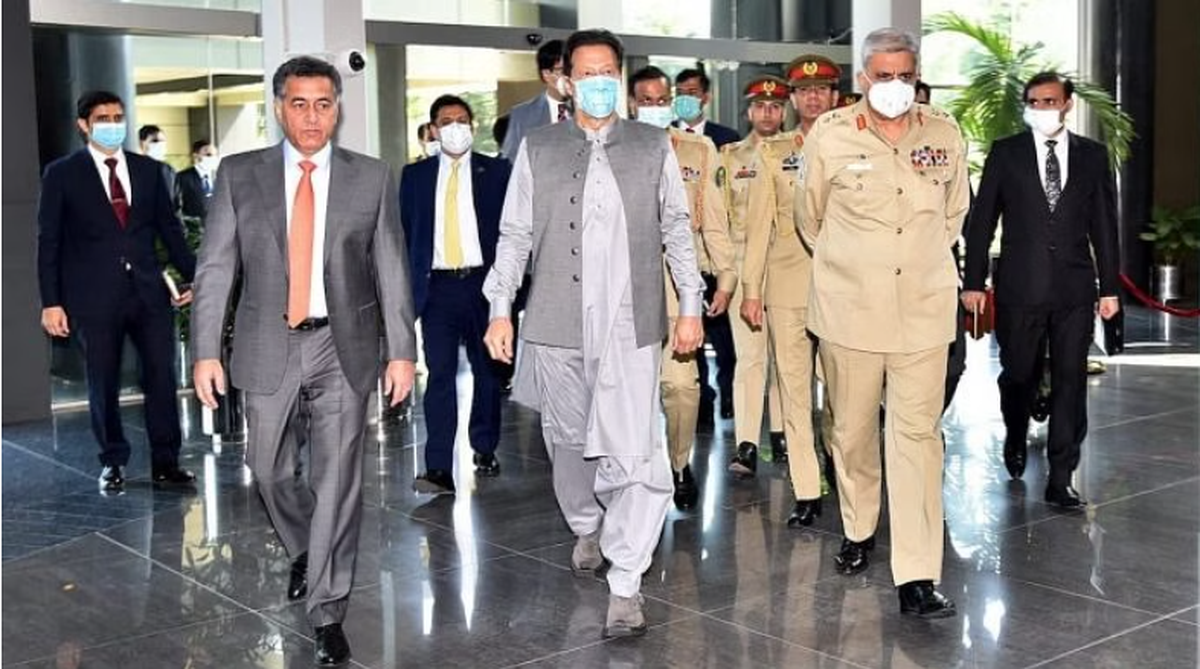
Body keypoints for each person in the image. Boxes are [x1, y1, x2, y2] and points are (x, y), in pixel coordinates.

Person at [190, 56, 417, 666]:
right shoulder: (241, 174)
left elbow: (391, 270)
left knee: (338, 482)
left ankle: (326, 608)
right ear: (279, 107)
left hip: (344, 345)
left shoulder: (370, 177)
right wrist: (205, 349)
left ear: (337, 108)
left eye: (323, 103)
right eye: (299, 103)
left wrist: (402, 353)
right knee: (267, 471)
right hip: (268, 341)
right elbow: (215, 267)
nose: (312, 116)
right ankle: (302, 546)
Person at [482, 29, 704, 638]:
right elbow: (516, 235)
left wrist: (690, 304)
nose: (599, 81)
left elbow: (678, 231)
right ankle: (586, 524)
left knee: (636, 452)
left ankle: (626, 580)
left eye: (610, 70)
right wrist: (500, 306)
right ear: (565, 80)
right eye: (588, 72)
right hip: (555, 324)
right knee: (569, 444)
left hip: (632, 327)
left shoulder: (653, 144)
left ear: (620, 76)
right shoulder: (537, 147)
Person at [797, 28, 968, 618]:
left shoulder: (944, 132)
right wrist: (857, 268)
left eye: (904, 75)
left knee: (918, 439)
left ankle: (917, 573)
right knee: (850, 431)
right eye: (882, 75)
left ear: (915, 75)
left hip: (923, 310)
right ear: (863, 79)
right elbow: (810, 217)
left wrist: (913, 266)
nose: (893, 86)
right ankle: (859, 525)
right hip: (850, 311)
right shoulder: (831, 134)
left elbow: (954, 215)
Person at [962, 71, 1120, 507]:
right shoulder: (1006, 153)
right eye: (1034, 101)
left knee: (1070, 380)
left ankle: (1061, 476)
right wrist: (973, 281)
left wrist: (1109, 288)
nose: (1042, 108)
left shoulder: (1091, 155)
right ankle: (1015, 429)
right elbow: (981, 222)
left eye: (1050, 101)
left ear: (1067, 103)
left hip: (1074, 290)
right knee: (1019, 375)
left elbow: (1105, 225)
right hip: (1019, 286)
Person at [38, 91, 197, 495]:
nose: (113, 124)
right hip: (92, 298)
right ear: (84, 125)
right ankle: (113, 460)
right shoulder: (62, 173)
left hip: (148, 294)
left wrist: (195, 277)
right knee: (103, 381)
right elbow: (49, 241)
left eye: (118, 116)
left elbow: (171, 231)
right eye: (103, 118)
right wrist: (51, 302)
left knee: (161, 376)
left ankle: (167, 462)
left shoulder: (149, 171)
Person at [628, 65, 736, 510]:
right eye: (645, 101)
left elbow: (714, 219)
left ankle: (678, 462)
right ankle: (634, 472)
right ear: (631, 104)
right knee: (629, 392)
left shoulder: (698, 149)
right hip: (624, 290)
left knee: (682, 388)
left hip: (679, 289)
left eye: (661, 100)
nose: (654, 108)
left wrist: (727, 277)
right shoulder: (608, 150)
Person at [740, 57, 842, 527]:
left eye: (823, 89)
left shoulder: (854, 144)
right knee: (795, 392)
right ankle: (806, 489)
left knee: (845, 396)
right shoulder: (774, 152)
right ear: (793, 100)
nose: (814, 97)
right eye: (805, 91)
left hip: (846, 289)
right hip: (786, 288)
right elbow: (759, 227)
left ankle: (844, 475)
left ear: (836, 96)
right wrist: (751, 289)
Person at [401, 94, 511, 494]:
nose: (455, 127)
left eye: (463, 120)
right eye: (446, 121)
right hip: (438, 288)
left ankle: (483, 445)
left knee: (487, 372)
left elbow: (513, 234)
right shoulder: (414, 178)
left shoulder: (497, 172)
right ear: (433, 129)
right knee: (440, 375)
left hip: (486, 285)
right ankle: (438, 467)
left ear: (473, 126)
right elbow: (404, 235)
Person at [723, 75, 790, 477]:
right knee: (750, 359)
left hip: (786, 268)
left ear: (785, 111)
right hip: (744, 268)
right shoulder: (728, 157)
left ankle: (783, 433)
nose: (768, 113)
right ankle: (747, 442)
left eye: (775, 106)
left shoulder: (800, 151)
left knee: (787, 358)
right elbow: (721, 218)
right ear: (749, 111)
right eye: (760, 106)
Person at [500, 39, 569, 159]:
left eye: (572, 70)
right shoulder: (522, 114)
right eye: (562, 70)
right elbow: (511, 159)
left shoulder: (588, 109)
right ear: (546, 74)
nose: (569, 76)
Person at [673, 67, 741, 148]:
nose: (684, 98)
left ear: (706, 97)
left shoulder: (727, 138)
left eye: (691, 93)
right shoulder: (662, 134)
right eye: (680, 93)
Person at [787, 55, 841, 135]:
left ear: (834, 97)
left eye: (822, 88)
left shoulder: (851, 145)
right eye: (804, 89)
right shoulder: (775, 147)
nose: (813, 95)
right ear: (793, 99)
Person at [176, 139, 218, 222]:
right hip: (194, 230)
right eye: (208, 154)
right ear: (195, 156)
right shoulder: (182, 178)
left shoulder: (219, 177)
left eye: (215, 155)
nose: (213, 158)